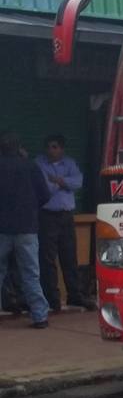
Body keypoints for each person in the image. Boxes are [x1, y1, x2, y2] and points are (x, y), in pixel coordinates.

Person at [35, 134, 95, 311]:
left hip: (67, 216)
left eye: (55, 147)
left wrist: (59, 181)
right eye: (49, 147)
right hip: (47, 216)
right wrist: (63, 183)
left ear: (62, 148)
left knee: (70, 257)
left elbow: (78, 182)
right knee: (47, 259)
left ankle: (75, 296)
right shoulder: (39, 163)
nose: (51, 150)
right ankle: (52, 298)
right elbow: (44, 187)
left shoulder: (69, 163)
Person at [0, 131, 51, 328]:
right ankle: (40, 316)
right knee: (30, 273)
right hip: (27, 228)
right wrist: (29, 208)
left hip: (2, 227)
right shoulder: (31, 166)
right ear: (19, 148)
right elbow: (45, 195)